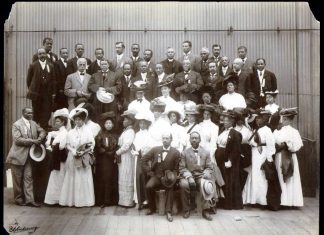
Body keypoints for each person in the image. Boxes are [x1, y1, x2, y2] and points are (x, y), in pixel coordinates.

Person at [6, 107, 46, 207]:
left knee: (28, 177)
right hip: (17, 156)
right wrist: (33, 141)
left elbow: (42, 131)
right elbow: (17, 140)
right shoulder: (16, 124)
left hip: (29, 156)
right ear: (23, 113)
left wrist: (40, 137)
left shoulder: (33, 123)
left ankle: (30, 200)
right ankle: (18, 199)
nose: (30, 114)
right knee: (17, 179)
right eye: (28, 113)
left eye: (31, 113)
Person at [141, 132, 181, 222]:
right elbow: (143, 160)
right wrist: (149, 171)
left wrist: (172, 177)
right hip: (157, 177)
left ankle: (168, 212)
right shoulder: (155, 149)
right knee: (148, 186)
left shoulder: (176, 152)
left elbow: (177, 168)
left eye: (167, 138)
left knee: (170, 188)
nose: (165, 140)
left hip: (169, 178)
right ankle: (152, 208)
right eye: (163, 138)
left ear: (171, 140)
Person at [59, 107, 95, 207]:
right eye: (76, 120)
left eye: (80, 119)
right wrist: (73, 151)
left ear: (83, 120)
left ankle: (83, 201)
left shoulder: (88, 131)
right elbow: (67, 144)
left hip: (84, 156)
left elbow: (92, 144)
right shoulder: (71, 132)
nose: (78, 121)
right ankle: (72, 200)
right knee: (72, 177)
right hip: (73, 155)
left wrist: (84, 151)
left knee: (83, 177)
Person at [242, 109, 276, 207]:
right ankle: (253, 199)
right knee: (255, 174)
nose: (257, 121)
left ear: (265, 120)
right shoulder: (257, 129)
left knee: (261, 175)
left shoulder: (267, 130)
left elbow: (271, 145)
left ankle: (262, 200)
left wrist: (269, 159)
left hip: (262, 154)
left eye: (260, 119)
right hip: (255, 154)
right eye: (257, 119)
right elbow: (252, 141)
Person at [179, 132, 214, 220]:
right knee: (183, 184)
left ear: (200, 140)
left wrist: (206, 172)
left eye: (196, 138)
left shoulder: (206, 152)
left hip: (200, 175)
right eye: (192, 138)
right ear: (190, 140)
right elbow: (182, 168)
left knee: (204, 183)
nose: (194, 140)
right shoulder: (184, 153)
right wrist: (189, 177)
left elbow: (209, 167)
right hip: (188, 175)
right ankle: (186, 209)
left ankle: (205, 210)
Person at [273, 107, 303, 207]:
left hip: (289, 157)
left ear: (290, 120)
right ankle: (282, 200)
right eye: (282, 118)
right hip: (279, 156)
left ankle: (291, 201)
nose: (283, 121)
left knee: (290, 178)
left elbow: (297, 146)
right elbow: (272, 142)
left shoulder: (294, 132)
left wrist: (287, 145)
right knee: (280, 175)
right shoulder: (277, 131)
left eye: (286, 119)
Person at [215, 110, 243, 209]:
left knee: (229, 180)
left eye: (227, 121)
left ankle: (230, 204)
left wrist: (230, 160)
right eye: (224, 120)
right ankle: (221, 202)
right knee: (221, 179)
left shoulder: (236, 134)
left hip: (227, 159)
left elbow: (236, 150)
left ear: (232, 122)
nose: (225, 122)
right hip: (219, 158)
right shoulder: (222, 130)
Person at [44, 108, 69, 205]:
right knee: (57, 177)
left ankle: (58, 199)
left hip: (59, 158)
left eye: (58, 121)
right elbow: (52, 134)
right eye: (56, 121)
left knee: (58, 177)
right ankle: (57, 198)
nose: (56, 123)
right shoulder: (61, 132)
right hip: (57, 157)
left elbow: (62, 146)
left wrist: (52, 147)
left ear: (63, 122)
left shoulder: (64, 132)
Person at [26, 47, 55, 130]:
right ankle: (35, 128)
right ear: (37, 55)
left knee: (46, 110)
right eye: (40, 54)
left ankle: (44, 126)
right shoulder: (33, 65)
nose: (42, 55)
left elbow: (53, 80)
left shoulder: (51, 66)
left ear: (46, 54)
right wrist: (33, 89)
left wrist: (53, 92)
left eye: (43, 53)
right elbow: (29, 80)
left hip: (47, 93)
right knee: (36, 111)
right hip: (37, 93)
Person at [94, 111, 119, 207]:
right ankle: (102, 200)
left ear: (113, 125)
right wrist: (106, 152)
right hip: (103, 160)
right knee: (103, 179)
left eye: (110, 123)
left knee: (111, 178)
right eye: (106, 123)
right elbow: (98, 147)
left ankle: (110, 200)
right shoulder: (100, 135)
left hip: (112, 160)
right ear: (104, 125)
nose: (108, 125)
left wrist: (113, 153)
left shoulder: (116, 135)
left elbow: (117, 146)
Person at [132, 111, 155, 209]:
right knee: (137, 177)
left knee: (144, 177)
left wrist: (142, 152)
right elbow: (134, 145)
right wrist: (135, 151)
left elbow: (150, 147)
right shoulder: (137, 134)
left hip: (145, 159)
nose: (142, 125)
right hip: (137, 158)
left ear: (147, 124)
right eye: (140, 123)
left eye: (144, 123)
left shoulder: (149, 134)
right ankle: (138, 201)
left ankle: (146, 201)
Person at [115, 109, 136, 207]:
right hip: (123, 156)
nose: (123, 121)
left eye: (125, 120)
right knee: (123, 175)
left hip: (127, 156)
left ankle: (128, 201)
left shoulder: (130, 131)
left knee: (127, 175)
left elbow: (127, 145)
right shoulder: (126, 131)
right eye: (124, 120)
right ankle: (123, 200)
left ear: (130, 121)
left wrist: (118, 152)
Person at [233, 108, 253, 191]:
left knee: (243, 172)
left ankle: (243, 194)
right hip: (234, 153)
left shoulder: (247, 130)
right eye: (238, 119)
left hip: (244, 153)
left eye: (242, 119)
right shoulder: (232, 129)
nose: (240, 121)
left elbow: (250, 142)